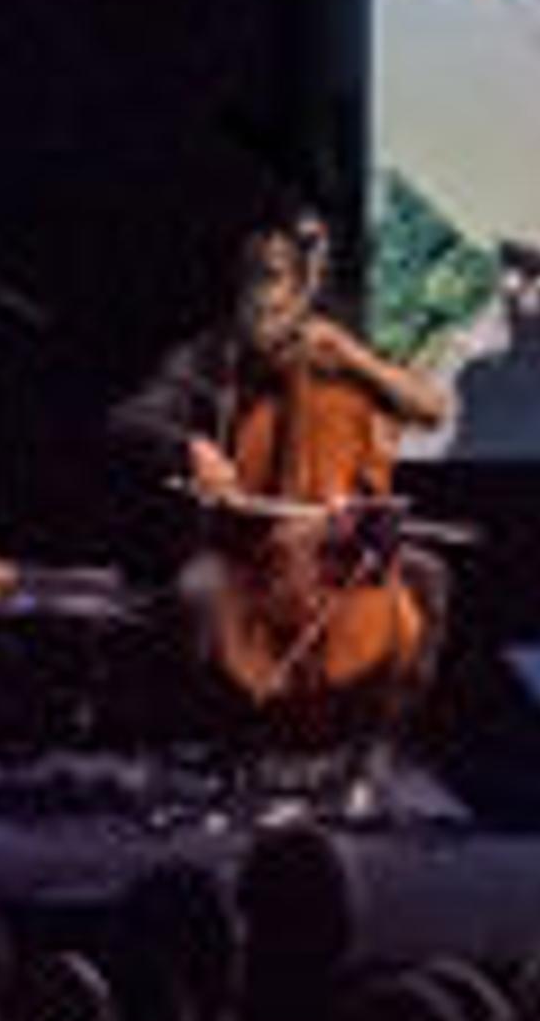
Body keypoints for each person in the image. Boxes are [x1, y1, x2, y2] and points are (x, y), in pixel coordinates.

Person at [114, 215, 453, 806]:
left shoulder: (342, 350)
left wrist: (356, 359)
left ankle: (371, 755)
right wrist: (188, 446)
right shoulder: (212, 357)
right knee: (197, 590)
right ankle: (235, 748)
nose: (265, 303)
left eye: (276, 284)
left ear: (301, 290)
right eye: (254, 284)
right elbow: (131, 418)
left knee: (427, 579)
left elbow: (429, 408)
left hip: (342, 543)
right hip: (248, 553)